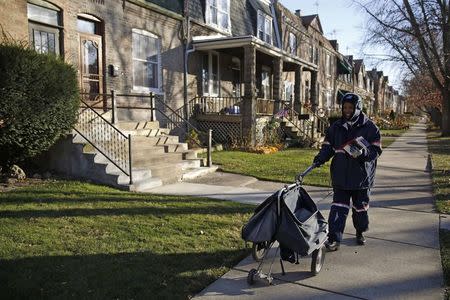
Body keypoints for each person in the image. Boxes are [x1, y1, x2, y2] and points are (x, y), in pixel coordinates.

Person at [312, 93, 382, 251]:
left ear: (358, 107)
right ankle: (334, 239)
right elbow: (328, 147)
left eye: (350, 107)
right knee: (338, 208)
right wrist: (320, 158)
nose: (347, 110)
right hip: (341, 176)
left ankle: (360, 232)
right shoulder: (336, 127)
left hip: (361, 178)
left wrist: (363, 153)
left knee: (360, 209)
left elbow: (376, 150)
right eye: (344, 107)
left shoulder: (370, 127)